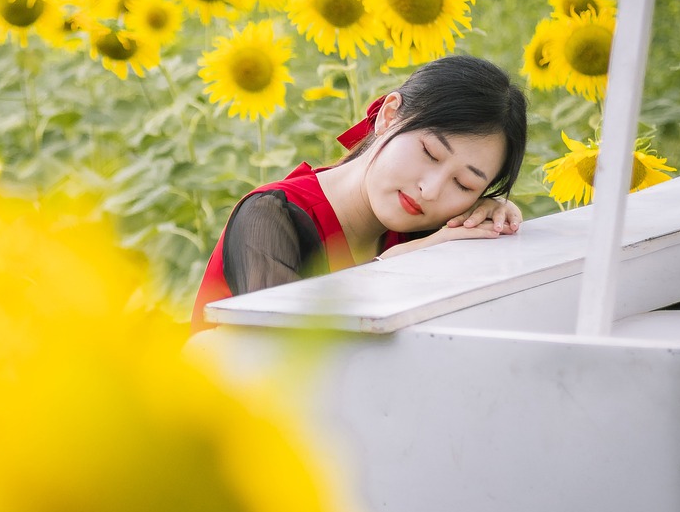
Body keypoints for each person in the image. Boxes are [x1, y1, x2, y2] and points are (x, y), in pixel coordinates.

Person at [192, 54, 528, 332]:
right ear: (389, 115)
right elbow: (289, 358)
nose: (430, 189)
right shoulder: (270, 216)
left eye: (464, 184)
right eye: (429, 153)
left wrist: (483, 213)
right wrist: (392, 267)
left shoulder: (429, 229)